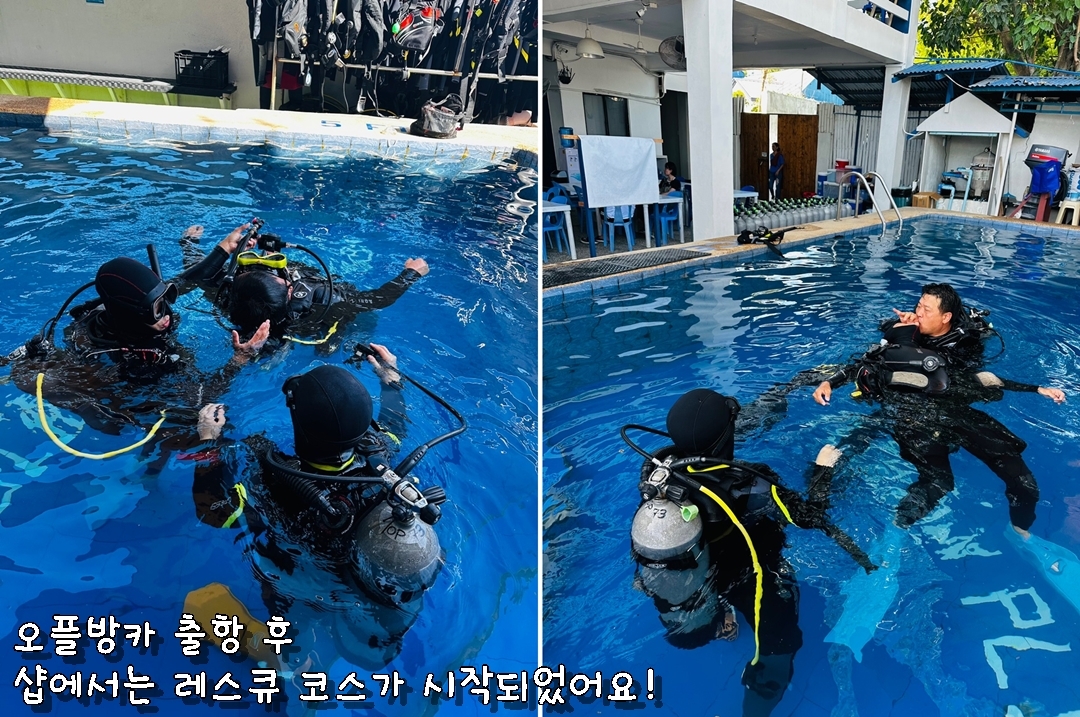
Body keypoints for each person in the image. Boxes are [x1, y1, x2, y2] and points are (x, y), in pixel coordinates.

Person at [186, 344, 451, 668]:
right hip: (365, 589)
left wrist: (208, 441)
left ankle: (289, 665)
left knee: (204, 603)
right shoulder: (381, 463)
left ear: (300, 427)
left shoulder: (275, 484)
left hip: (305, 586)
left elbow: (213, 512)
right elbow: (395, 428)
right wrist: (391, 381)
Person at [625, 389, 872, 717]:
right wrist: (823, 470)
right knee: (780, 647)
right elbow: (810, 517)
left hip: (699, 575)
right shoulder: (752, 483)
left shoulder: (658, 475)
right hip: (751, 578)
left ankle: (719, 618)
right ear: (727, 434)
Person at [811, 283, 1066, 536]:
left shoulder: (964, 345)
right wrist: (830, 382)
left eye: (926, 310)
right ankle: (896, 530)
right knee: (939, 482)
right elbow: (870, 362)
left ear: (946, 317)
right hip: (910, 413)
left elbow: (977, 379)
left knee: (1023, 481)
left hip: (952, 408)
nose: (918, 313)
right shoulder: (906, 333)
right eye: (918, 306)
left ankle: (1020, 530)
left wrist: (1036, 389)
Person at [179, 224, 428, 353]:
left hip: (269, 326)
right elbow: (376, 300)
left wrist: (189, 243)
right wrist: (412, 273)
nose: (264, 258)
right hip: (318, 321)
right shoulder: (323, 299)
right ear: (290, 291)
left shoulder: (225, 297)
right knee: (332, 341)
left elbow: (197, 274)